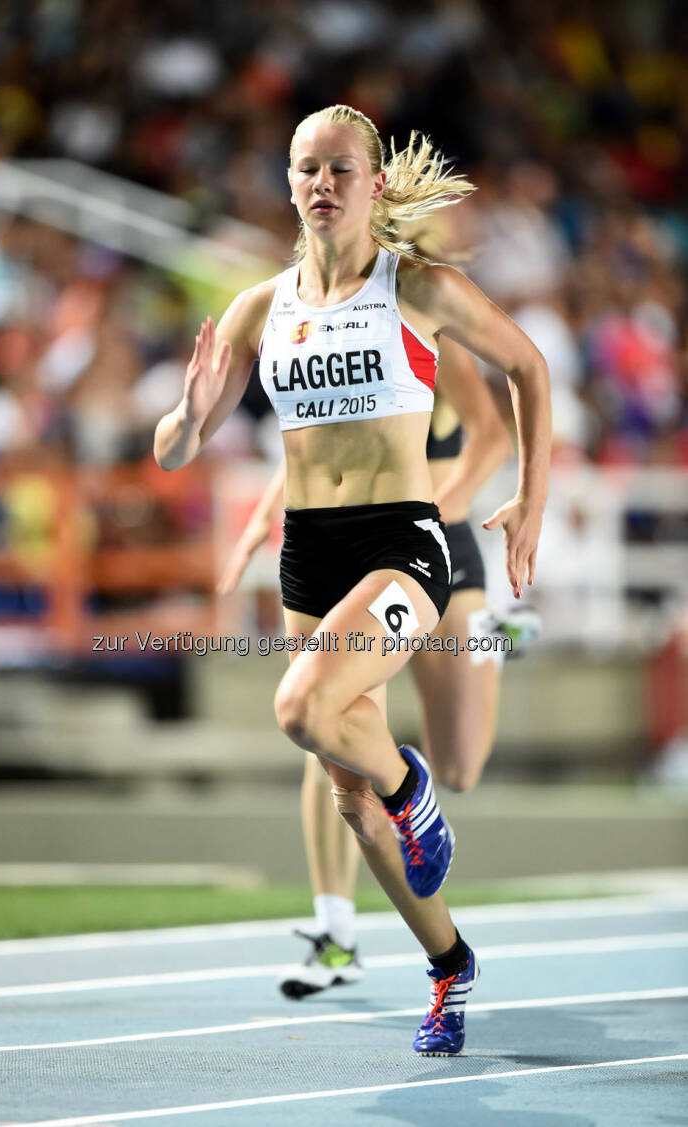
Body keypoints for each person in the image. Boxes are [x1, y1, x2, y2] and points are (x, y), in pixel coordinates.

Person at [154, 104, 551, 1055]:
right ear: (288, 185)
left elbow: (527, 369)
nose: (321, 185)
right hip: (310, 551)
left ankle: (415, 785)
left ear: (375, 184)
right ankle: (449, 965)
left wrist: (531, 503)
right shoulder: (262, 305)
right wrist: (190, 411)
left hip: (402, 544)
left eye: (339, 169)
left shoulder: (416, 286)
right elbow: (173, 452)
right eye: (305, 170)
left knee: (302, 709)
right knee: (345, 794)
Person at [218, 339, 542, 999]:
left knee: (459, 767)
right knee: (322, 724)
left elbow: (490, 439)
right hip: (348, 551)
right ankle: (336, 930)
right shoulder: (334, 331)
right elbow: (320, 444)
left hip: (432, 537)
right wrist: (261, 518)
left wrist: (429, 513)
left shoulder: (426, 323)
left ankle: (494, 638)